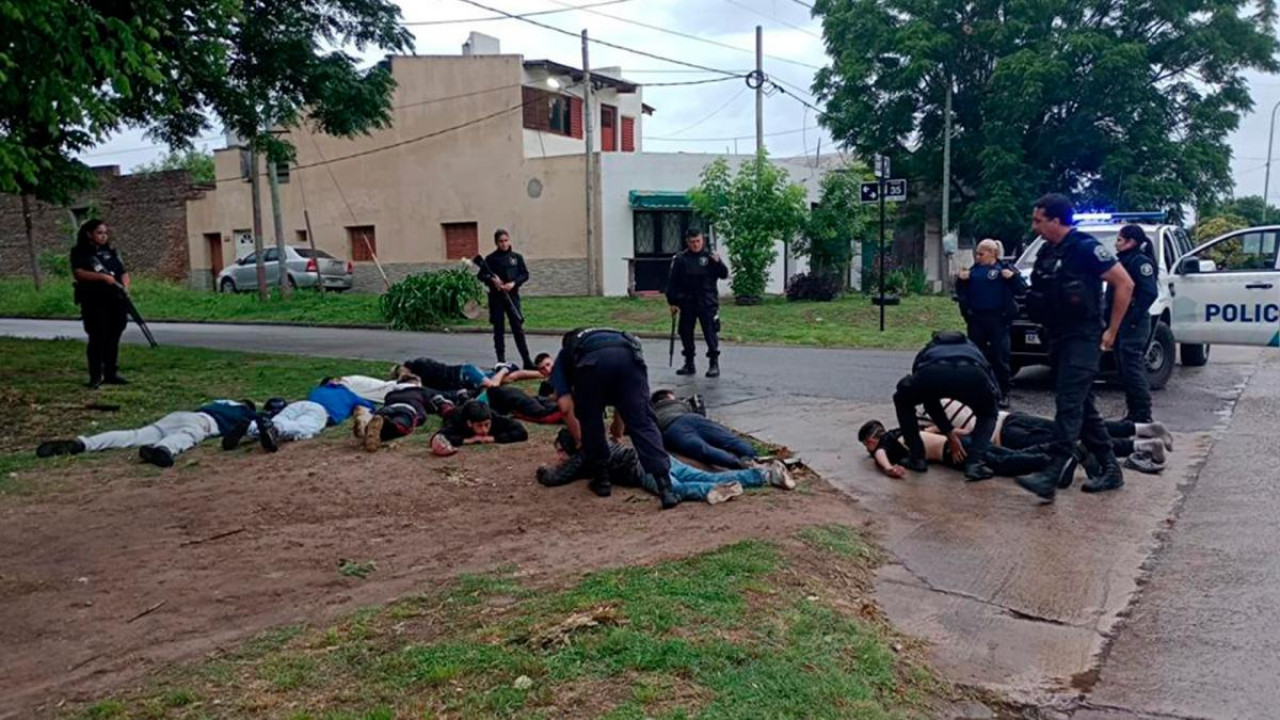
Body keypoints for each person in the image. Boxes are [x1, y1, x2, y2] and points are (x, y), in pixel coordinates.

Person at [1016, 194, 1136, 500]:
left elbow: (1125, 284)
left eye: (1038, 220)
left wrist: (1112, 330)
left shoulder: (1086, 248)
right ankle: (1110, 468)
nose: (1034, 226)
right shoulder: (1047, 251)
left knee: (1068, 405)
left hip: (1084, 338)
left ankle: (1052, 472)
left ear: (1056, 220)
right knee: (1083, 406)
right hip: (1058, 336)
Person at [549, 327, 679, 508]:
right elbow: (624, 400)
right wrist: (618, 429)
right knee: (643, 422)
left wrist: (580, 441)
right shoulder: (612, 336)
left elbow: (564, 407)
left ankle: (602, 481)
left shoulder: (566, 355)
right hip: (630, 359)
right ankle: (666, 489)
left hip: (591, 366)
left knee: (590, 419)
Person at [538, 428, 793, 506]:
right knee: (699, 474)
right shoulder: (603, 442)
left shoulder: (584, 453)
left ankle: (713, 490)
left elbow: (556, 477)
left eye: (560, 450)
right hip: (657, 455)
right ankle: (763, 473)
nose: (560, 456)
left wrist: (542, 470)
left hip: (641, 468)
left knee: (675, 489)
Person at [891, 331, 1000, 481]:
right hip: (972, 374)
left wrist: (948, 432)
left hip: (933, 374)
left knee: (902, 400)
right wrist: (990, 402)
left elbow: (928, 399)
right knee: (988, 414)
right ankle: (975, 463)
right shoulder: (972, 347)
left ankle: (917, 458)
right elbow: (991, 380)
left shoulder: (929, 349)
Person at [36, 399, 259, 468]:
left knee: (135, 434)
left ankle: (84, 443)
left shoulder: (216, 402)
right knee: (188, 437)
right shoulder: (243, 412)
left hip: (180, 413)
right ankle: (163, 449)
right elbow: (254, 424)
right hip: (203, 423)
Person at [956, 238, 1026, 408]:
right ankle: (976, 391)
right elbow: (961, 294)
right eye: (977, 254)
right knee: (975, 356)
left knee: (1000, 356)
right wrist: (961, 280)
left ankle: (1004, 392)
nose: (978, 257)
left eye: (981, 254)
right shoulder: (973, 271)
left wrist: (1013, 278)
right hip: (977, 319)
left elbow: (1021, 289)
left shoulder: (1004, 269)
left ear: (992, 253)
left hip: (998, 320)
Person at [858, 420, 1052, 480]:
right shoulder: (902, 429)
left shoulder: (886, 443)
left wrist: (888, 468)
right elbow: (935, 428)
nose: (869, 449)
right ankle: (1053, 450)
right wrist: (964, 432)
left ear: (871, 440)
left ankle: (1048, 461)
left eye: (867, 444)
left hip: (952, 452)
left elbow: (880, 455)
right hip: (960, 441)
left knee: (1001, 463)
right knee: (1006, 454)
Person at [70, 219, 130, 388]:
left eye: (105, 233)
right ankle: (95, 375)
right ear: (89, 234)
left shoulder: (110, 252)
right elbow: (79, 273)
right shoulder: (81, 252)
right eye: (99, 233)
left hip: (115, 300)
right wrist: (102, 278)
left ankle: (111, 372)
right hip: (94, 301)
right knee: (97, 337)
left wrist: (125, 287)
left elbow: (123, 272)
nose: (103, 236)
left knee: (114, 336)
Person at [1110, 225, 1160, 424]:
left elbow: (1149, 292)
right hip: (1123, 321)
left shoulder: (1139, 262)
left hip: (1134, 324)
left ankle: (1142, 413)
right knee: (1124, 369)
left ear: (1131, 242)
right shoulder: (1124, 260)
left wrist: (1132, 317)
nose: (1116, 243)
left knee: (1133, 369)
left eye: (1120, 240)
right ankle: (1133, 413)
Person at [666, 228, 728, 378]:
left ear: (702, 240)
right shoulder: (680, 259)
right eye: (692, 242)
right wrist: (672, 302)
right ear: (687, 242)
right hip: (687, 302)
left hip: (707, 302)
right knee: (685, 332)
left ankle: (714, 364)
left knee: (710, 333)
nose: (695, 245)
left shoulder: (710, 257)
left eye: (698, 241)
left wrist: (718, 262)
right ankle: (689, 363)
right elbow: (672, 282)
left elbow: (724, 274)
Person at [650, 390, 757, 469]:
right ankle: (749, 455)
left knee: (703, 450)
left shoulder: (652, 413)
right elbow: (699, 408)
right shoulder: (681, 403)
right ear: (669, 396)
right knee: (728, 439)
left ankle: (736, 464)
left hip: (672, 428)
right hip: (692, 418)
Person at [478, 229, 534, 369]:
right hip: (496, 298)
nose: (504, 244)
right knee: (499, 330)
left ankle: (526, 360)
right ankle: (501, 361)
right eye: (501, 241)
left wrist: (513, 283)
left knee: (518, 329)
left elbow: (524, 274)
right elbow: (481, 275)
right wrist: (492, 280)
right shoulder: (490, 259)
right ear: (496, 243)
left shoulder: (516, 257)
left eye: (506, 240)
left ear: (509, 240)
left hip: (512, 297)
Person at [221, 397, 329, 452]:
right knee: (305, 427)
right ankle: (276, 429)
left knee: (278, 421)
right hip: (318, 409)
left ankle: (250, 426)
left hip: (293, 406)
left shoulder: (317, 392)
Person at [393, 357, 508, 392]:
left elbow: (420, 383)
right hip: (464, 378)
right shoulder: (419, 372)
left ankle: (504, 369)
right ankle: (507, 369)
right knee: (508, 379)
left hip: (464, 374)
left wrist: (407, 376)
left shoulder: (420, 365)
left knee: (493, 386)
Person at [308, 379, 377, 425]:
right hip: (332, 417)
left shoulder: (315, 391)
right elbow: (365, 403)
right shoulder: (346, 393)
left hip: (313, 412)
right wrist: (373, 408)